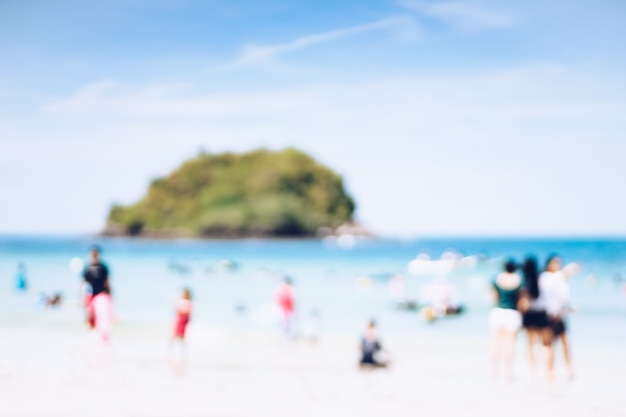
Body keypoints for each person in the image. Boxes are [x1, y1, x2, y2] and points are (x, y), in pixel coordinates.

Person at [539, 254, 579, 379]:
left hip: (560, 315)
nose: (558, 265)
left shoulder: (556, 278)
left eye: (559, 263)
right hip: (549, 315)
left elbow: (562, 298)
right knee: (549, 344)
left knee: (565, 342)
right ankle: (550, 370)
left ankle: (569, 369)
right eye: (555, 262)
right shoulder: (546, 277)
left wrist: (567, 309)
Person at [488, 259, 523, 381]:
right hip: (512, 313)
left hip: (498, 312)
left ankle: (494, 371)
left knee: (496, 343)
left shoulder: (497, 279)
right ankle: (509, 372)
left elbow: (494, 297)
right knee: (510, 344)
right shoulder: (519, 280)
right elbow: (522, 301)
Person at [519, 256, 552, 378]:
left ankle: (533, 370)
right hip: (542, 313)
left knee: (531, 344)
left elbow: (524, 304)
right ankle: (548, 371)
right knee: (546, 345)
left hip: (530, 315)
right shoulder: (543, 278)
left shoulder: (525, 282)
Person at [81, 246, 110, 329]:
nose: (94, 256)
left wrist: (110, 297)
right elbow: (83, 284)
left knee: (102, 316)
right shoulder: (87, 268)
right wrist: (82, 299)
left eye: (95, 254)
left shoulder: (103, 268)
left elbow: (107, 283)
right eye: (92, 254)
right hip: (91, 295)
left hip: (102, 295)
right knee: (90, 318)